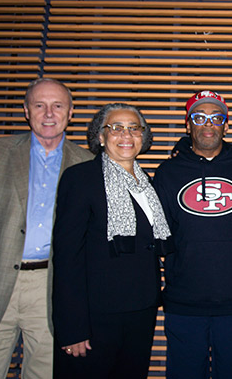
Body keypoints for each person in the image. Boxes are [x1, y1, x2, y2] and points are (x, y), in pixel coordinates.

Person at [0, 78, 93, 378]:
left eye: (57, 106)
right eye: (39, 105)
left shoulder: (87, 163)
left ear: (70, 113)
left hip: (53, 287)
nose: (48, 114)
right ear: (26, 110)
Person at [51, 103, 171, 378]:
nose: (126, 135)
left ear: (143, 136)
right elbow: (68, 257)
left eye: (134, 128)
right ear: (101, 137)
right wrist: (72, 328)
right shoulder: (81, 179)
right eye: (116, 128)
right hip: (95, 318)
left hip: (140, 312)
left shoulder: (146, 183)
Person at [153, 90, 232, 379]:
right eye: (199, 117)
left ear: (226, 125)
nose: (208, 124)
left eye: (216, 117)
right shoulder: (168, 172)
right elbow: (157, 236)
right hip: (183, 300)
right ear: (188, 124)